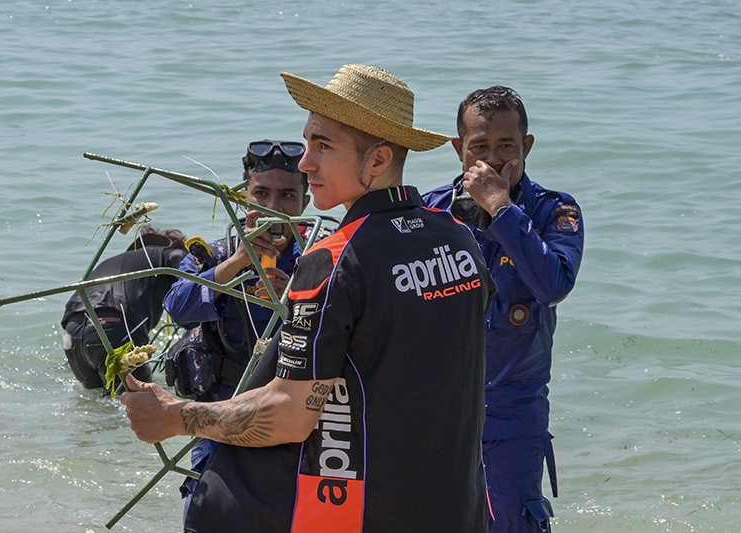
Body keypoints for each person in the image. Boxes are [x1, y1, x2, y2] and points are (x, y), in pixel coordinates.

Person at [121, 64, 496, 532]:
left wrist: (176, 417)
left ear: (377, 160)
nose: (305, 164)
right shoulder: (459, 239)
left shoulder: (334, 258)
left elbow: (290, 415)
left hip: (359, 514)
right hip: (456, 509)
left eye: (324, 146)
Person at [423, 86, 584, 532]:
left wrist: (500, 207)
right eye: (479, 147)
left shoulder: (555, 212)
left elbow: (553, 284)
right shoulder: (431, 211)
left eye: (506, 146)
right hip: (437, 411)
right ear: (458, 149)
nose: (493, 160)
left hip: (512, 417)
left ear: (526, 146)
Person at [162, 139, 311, 515]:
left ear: (305, 204)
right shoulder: (215, 254)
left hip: (292, 422)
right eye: (261, 193)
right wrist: (235, 266)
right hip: (219, 415)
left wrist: (294, 302)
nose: (273, 208)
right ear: (243, 197)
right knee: (207, 512)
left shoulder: (319, 259)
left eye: (287, 196)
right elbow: (176, 307)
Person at [61, 225, 187, 392]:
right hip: (112, 325)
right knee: (144, 403)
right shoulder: (166, 254)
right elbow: (181, 258)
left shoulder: (117, 262)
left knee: (104, 404)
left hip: (73, 332)